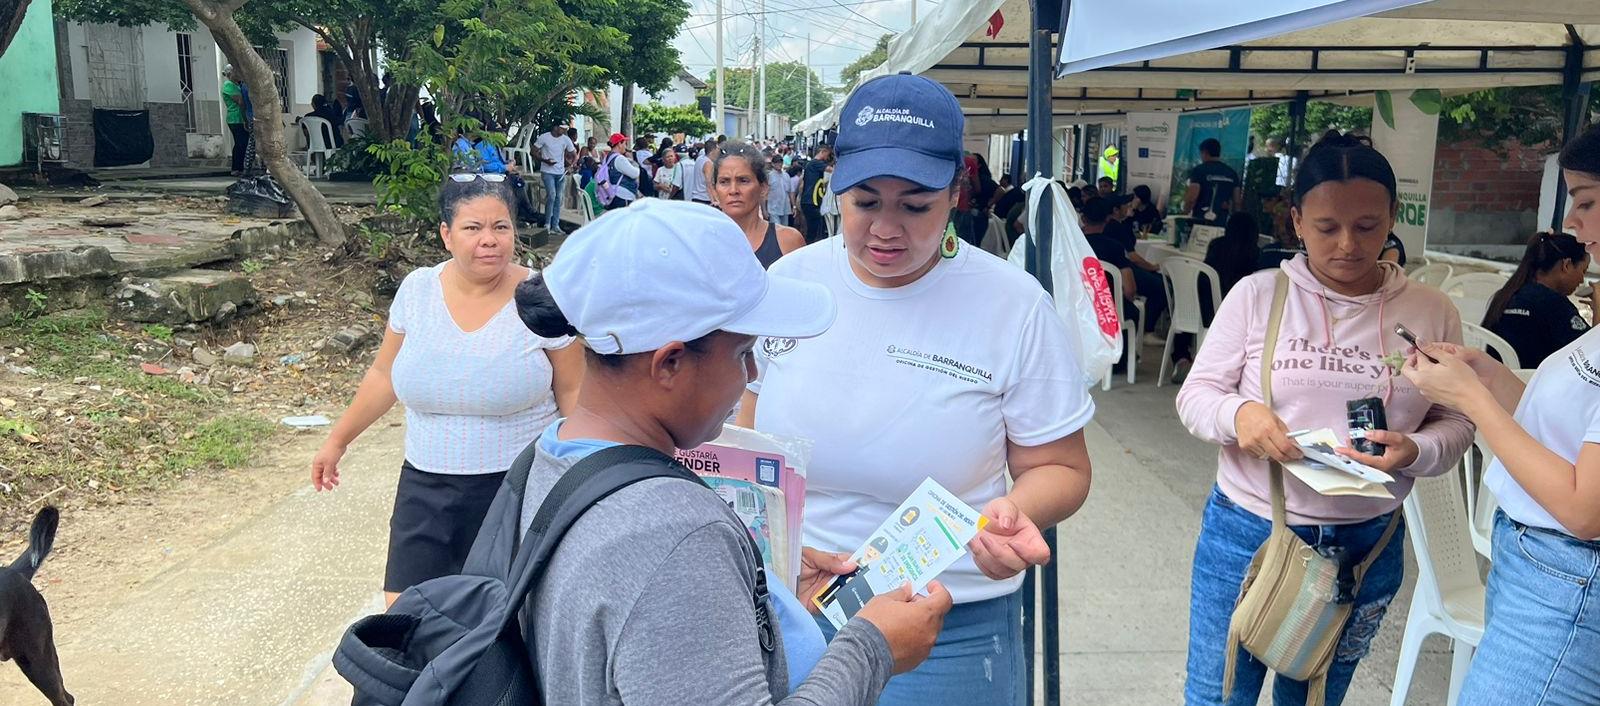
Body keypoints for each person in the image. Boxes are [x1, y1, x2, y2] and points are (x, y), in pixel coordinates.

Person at [738, 73, 1095, 706]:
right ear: (835, 185)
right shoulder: (788, 285)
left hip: (950, 625)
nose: (886, 229)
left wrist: (1011, 516)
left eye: (915, 205)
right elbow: (748, 432)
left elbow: (1061, 467)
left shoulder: (1012, 304)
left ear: (956, 193)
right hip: (794, 612)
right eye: (866, 202)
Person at [511, 198, 951, 703]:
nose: (752, 376)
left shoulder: (549, 456)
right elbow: (660, 581)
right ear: (670, 362)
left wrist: (763, 598)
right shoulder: (672, 535)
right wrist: (873, 649)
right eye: (743, 353)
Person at [1175, 130, 1476, 706]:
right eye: (1326, 228)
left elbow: (1458, 422)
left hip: (1368, 542)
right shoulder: (1259, 296)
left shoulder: (1431, 312)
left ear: (1392, 217)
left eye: (1367, 227)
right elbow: (1197, 397)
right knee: (1217, 695)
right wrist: (1242, 416)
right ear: (1295, 221)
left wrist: (1415, 450)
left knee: (1312, 696)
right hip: (1252, 531)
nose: (1347, 246)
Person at [310, 174, 584, 607]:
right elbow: (384, 375)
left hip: (518, 486)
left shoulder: (542, 296)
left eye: (501, 227)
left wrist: (582, 472)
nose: (489, 240)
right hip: (425, 485)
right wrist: (337, 440)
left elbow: (574, 392)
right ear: (446, 235)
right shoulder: (417, 291)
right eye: (473, 228)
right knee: (407, 615)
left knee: (505, 623)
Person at [1399, 124, 1600, 706]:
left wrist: (1473, 401)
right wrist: (1491, 379)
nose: (1573, 225)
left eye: (1587, 202)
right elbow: (1566, 436)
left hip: (1568, 583)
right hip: (1540, 567)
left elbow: (1586, 509)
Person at [1168, 213, 1264, 384]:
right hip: (1232, 316)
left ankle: (1181, 357)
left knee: (1186, 303)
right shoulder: (1254, 254)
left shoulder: (1216, 246)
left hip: (1201, 310)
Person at [1483, 231, 1594, 368]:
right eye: (1583, 271)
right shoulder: (1553, 304)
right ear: (1566, 265)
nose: (1582, 280)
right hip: (1533, 385)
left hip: (1496, 381)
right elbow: (1592, 354)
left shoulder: (1504, 296)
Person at [1083, 197, 1167, 342]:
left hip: (1079, 307)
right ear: (1107, 219)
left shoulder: (1072, 246)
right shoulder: (1114, 247)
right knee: (1134, 312)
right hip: (1111, 310)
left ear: (1083, 219)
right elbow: (1130, 290)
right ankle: (1124, 358)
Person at [714, 142, 806, 269]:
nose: (733, 190)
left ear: (763, 188)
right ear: (715, 190)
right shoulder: (700, 244)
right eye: (724, 182)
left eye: (743, 181)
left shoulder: (788, 241)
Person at [1184, 137, 1242, 224]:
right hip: (1222, 222)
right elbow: (1237, 201)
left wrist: (1185, 213)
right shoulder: (1232, 173)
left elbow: (1192, 197)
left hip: (1199, 221)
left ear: (1204, 152)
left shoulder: (1199, 170)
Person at [534, 125, 577, 234]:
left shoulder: (565, 139)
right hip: (547, 171)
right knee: (552, 195)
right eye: (562, 128)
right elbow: (533, 151)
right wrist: (544, 160)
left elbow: (574, 154)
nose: (564, 130)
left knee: (559, 198)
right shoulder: (544, 137)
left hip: (560, 172)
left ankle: (555, 225)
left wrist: (570, 165)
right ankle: (547, 224)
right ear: (555, 127)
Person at [800, 145, 834, 243]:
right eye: (828, 154)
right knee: (813, 229)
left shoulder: (810, 165)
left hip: (808, 201)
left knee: (813, 229)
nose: (828, 158)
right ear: (822, 152)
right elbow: (831, 170)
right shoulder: (816, 163)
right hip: (811, 201)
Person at [600, 133, 642, 210]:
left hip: (611, 193)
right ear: (619, 144)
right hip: (623, 196)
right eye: (624, 144)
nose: (625, 147)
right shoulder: (619, 159)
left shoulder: (607, 158)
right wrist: (633, 162)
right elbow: (635, 174)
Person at [222, 65, 248, 176]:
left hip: (241, 117)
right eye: (236, 72)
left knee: (243, 143)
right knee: (240, 143)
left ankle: (240, 167)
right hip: (235, 118)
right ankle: (236, 168)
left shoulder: (238, 85)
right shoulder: (228, 85)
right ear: (230, 74)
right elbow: (240, 101)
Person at [766, 156, 796, 227]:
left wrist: (794, 206)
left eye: (780, 162)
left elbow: (791, 192)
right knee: (776, 229)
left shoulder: (786, 176)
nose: (779, 164)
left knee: (785, 229)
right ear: (773, 164)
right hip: (773, 208)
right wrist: (764, 210)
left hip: (785, 207)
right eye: (777, 163)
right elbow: (764, 194)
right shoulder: (769, 176)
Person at [687, 141, 718, 206]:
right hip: (704, 198)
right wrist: (714, 200)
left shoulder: (699, 159)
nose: (718, 151)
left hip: (696, 196)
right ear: (713, 150)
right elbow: (708, 183)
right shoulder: (708, 163)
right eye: (717, 149)